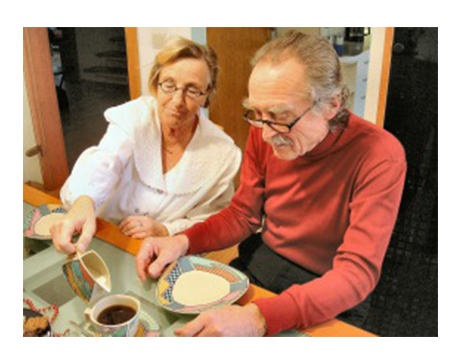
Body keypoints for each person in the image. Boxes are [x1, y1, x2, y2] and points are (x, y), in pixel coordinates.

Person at [136, 30, 407, 337]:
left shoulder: (380, 155)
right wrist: (182, 241)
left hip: (331, 286)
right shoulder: (266, 127)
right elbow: (242, 215)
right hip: (264, 261)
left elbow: (356, 273)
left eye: (281, 116)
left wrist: (259, 318)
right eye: (257, 113)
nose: (265, 134)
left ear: (332, 104)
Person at [51, 37, 242, 255]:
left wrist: (164, 229)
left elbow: (213, 217)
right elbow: (105, 160)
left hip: (163, 251)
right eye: (169, 85)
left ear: (206, 94)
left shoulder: (222, 152)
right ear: (156, 84)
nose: (177, 101)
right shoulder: (134, 116)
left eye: (192, 90)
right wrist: (84, 202)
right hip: (102, 232)